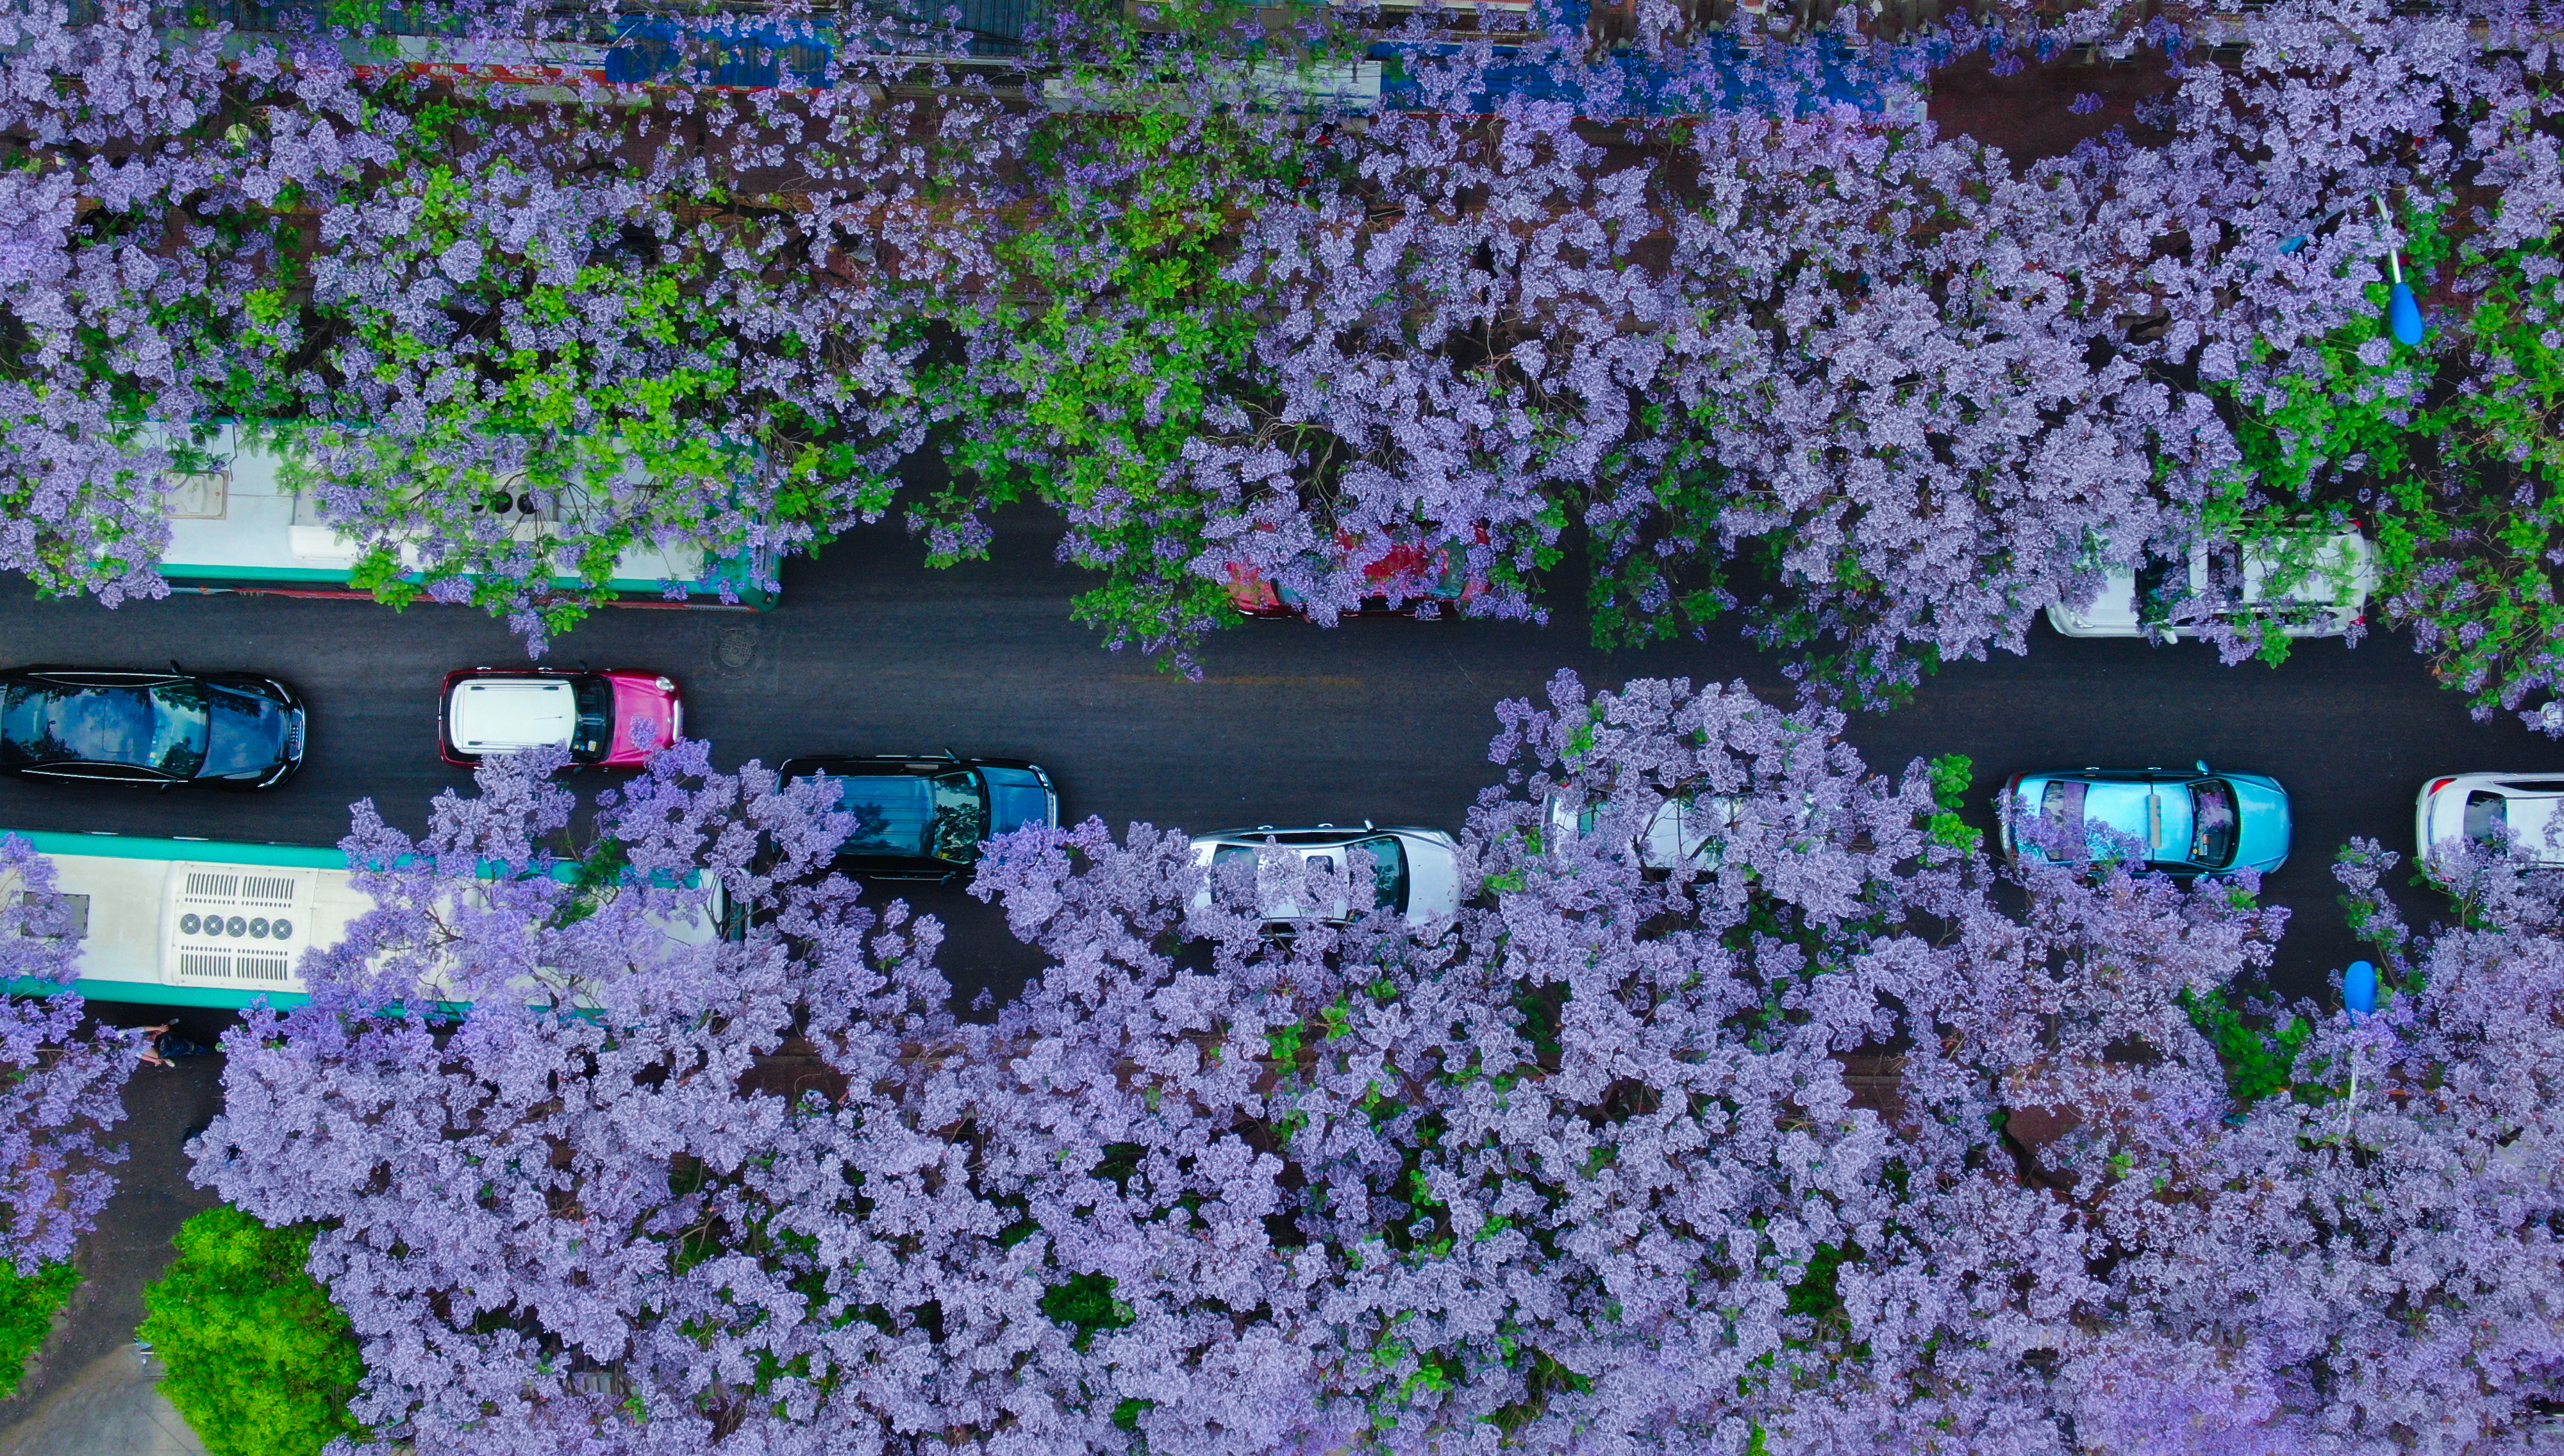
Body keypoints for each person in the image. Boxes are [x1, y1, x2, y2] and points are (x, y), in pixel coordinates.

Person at [134, 1024, 208, 1068]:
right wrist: (154, 1060)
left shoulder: (126, 1033)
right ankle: (165, 1057)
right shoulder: (128, 1051)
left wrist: (159, 1028)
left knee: (152, 1032)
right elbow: (140, 1056)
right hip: (143, 1048)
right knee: (157, 1056)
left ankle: (159, 1032)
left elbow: (144, 1028)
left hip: (144, 1037)